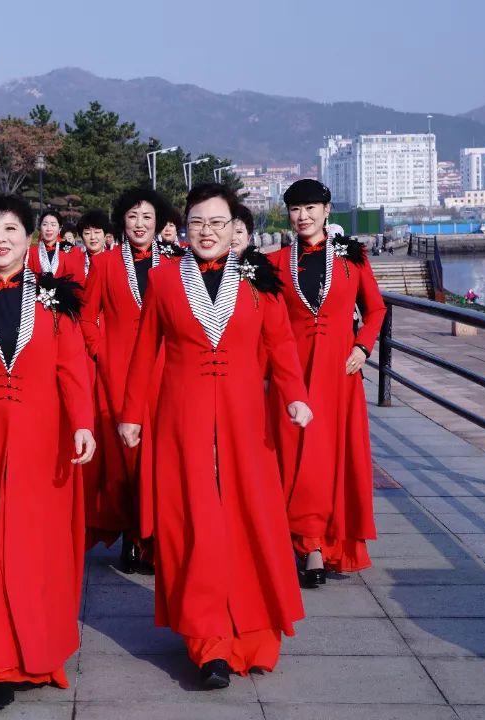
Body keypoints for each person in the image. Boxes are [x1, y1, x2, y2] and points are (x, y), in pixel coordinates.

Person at [118, 182, 312, 688]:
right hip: (182, 420)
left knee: (250, 521)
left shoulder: (259, 279)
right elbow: (144, 351)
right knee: (195, 525)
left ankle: (252, 631)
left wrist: (294, 394)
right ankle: (209, 644)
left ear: (235, 229)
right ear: (182, 229)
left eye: (217, 223)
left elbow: (281, 343)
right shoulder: (163, 279)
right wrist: (132, 414)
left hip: (246, 422)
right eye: (197, 223)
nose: (206, 232)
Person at [0, 193, 96, 711]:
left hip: (41, 438)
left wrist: (83, 424)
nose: (0, 238)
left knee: (36, 547)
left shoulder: (55, 297)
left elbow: (73, 368)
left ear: (29, 236)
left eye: (11, 229)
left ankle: (37, 649)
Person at [268, 179, 386, 586]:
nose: (302, 216)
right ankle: (308, 542)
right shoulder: (275, 262)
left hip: (339, 375)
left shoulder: (353, 258)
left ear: (326, 210)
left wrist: (363, 348)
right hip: (292, 374)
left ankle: (325, 542)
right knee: (295, 457)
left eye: (310, 208)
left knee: (334, 459)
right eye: (295, 209)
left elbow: (375, 310)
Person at [80, 187, 179, 574]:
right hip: (116, 372)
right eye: (133, 217)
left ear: (159, 223)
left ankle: (154, 536)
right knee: (124, 458)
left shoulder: (177, 263)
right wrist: (100, 353)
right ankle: (132, 534)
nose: (140, 225)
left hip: (164, 371)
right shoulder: (103, 264)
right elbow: (87, 319)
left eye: (148, 218)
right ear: (122, 220)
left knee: (160, 455)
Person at [27, 208, 86, 285]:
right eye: (45, 224)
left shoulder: (72, 250)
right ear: (40, 228)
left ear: (59, 229)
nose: (49, 228)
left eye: (53, 225)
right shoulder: (30, 252)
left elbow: (78, 280)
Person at [77, 209, 110, 277]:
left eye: (97, 232)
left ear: (105, 235)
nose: (92, 237)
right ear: (82, 236)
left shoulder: (114, 260)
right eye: (87, 233)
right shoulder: (75, 262)